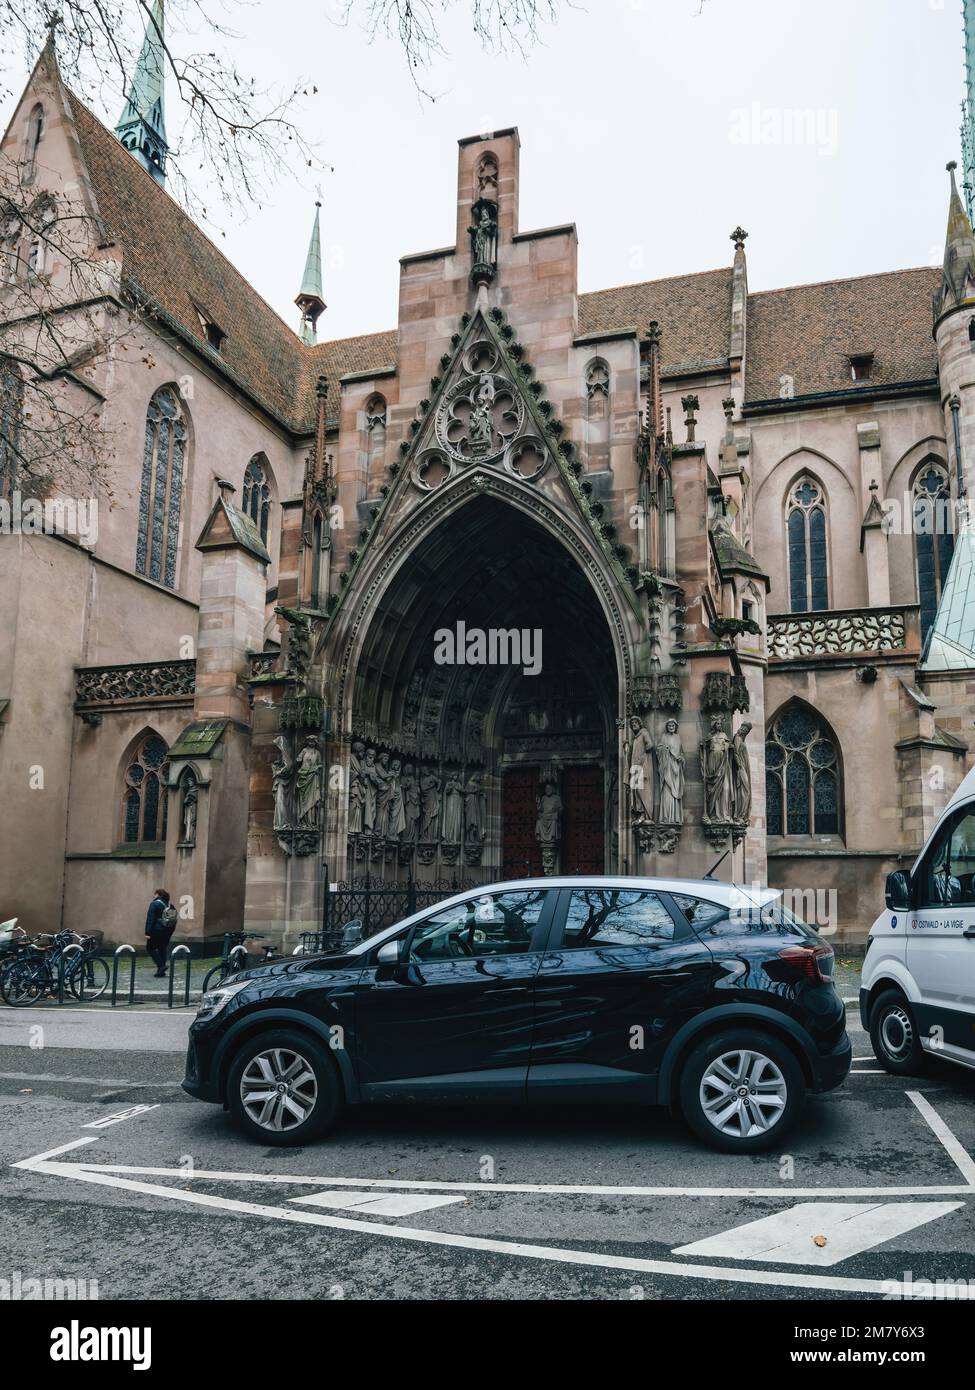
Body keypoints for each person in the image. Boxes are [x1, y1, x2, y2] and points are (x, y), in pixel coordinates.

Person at [145, 888, 176, 978]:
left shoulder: (154, 904)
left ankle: (161, 966)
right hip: (167, 930)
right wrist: (170, 932)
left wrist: (147, 932)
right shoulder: (169, 905)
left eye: (154, 894)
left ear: (158, 894)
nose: (153, 896)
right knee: (162, 948)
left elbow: (150, 919)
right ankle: (161, 972)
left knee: (150, 948)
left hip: (156, 930)